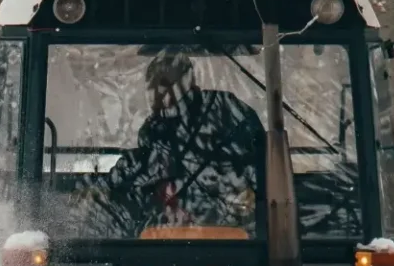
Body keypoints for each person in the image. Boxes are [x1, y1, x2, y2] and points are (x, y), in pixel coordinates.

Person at [80, 51, 266, 237]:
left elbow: (259, 170)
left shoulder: (223, 115)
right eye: (152, 88)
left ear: (185, 83)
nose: (155, 97)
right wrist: (99, 188)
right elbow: (140, 168)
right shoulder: (160, 128)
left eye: (162, 86)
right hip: (184, 240)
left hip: (228, 241)